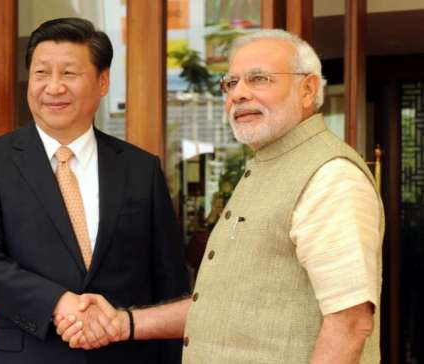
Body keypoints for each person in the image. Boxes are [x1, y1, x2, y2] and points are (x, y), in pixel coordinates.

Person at [56, 29, 385, 363]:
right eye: (231, 83)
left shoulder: (328, 176)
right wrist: (122, 323)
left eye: (259, 79)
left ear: (308, 89)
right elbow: (219, 309)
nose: (238, 94)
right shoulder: (267, 166)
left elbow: (350, 322)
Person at [0, 18, 188, 364]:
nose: (53, 87)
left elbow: (168, 279)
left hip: (126, 356)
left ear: (103, 81)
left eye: (69, 74)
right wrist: (57, 302)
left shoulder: (140, 168)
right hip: (28, 355)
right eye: (41, 73)